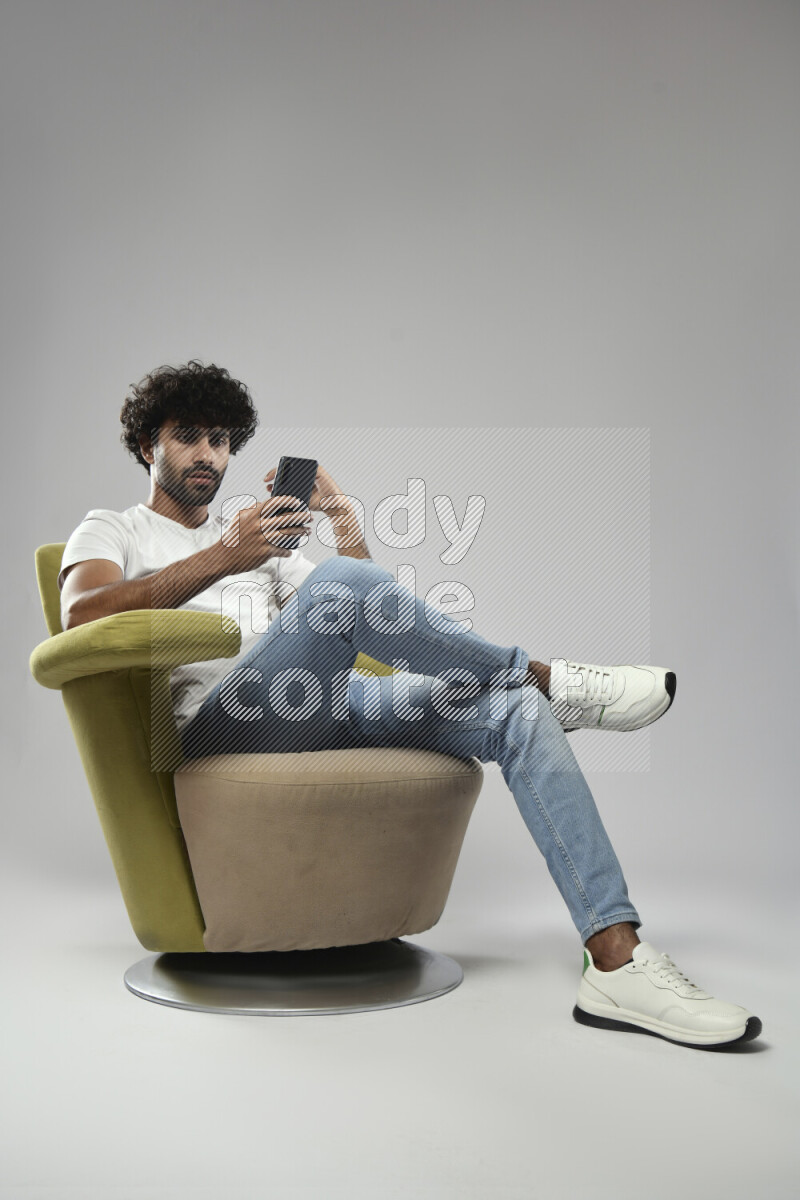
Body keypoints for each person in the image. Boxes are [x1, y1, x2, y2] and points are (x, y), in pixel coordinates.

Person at [58, 360, 762, 1049]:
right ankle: (548, 675)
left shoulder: (257, 543)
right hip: (218, 729)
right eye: (188, 435)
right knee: (427, 635)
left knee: (513, 709)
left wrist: (339, 516)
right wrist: (221, 559)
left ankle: (616, 958)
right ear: (148, 444)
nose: (207, 453)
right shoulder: (116, 529)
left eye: (219, 439)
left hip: (318, 703)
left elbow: (376, 618)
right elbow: (82, 616)